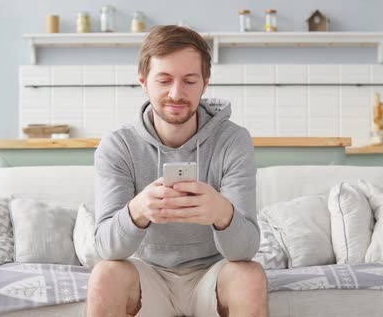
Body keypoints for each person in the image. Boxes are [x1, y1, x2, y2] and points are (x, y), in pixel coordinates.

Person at [86, 25, 269, 317]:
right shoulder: (118, 145)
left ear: (205, 84)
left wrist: (222, 214)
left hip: (213, 275)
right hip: (148, 277)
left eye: (189, 80)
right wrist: (138, 211)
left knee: (250, 275)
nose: (176, 93)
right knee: (105, 274)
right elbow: (106, 249)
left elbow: (245, 251)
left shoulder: (233, 140)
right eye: (164, 80)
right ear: (144, 83)